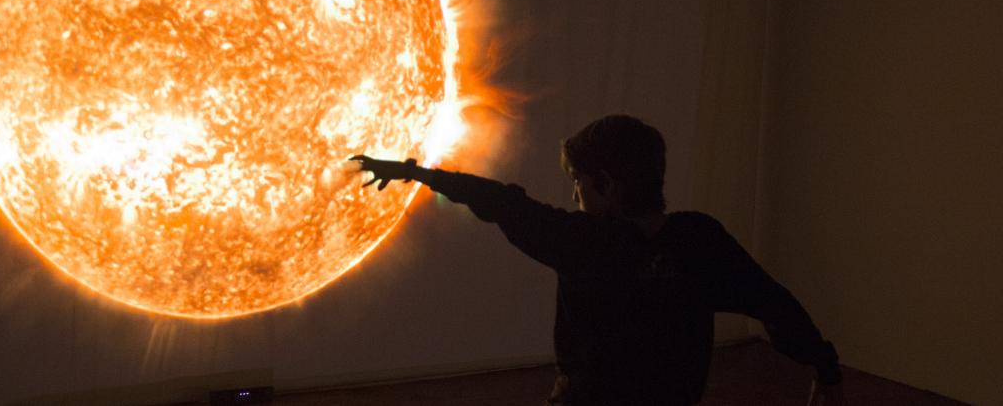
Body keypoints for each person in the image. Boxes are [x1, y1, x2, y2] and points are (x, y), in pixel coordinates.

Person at [351, 114, 844, 406]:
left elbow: (501, 202)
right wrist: (825, 367)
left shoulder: (582, 242)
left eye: (579, 184)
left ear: (606, 184)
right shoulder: (701, 239)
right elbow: (773, 303)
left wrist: (415, 173)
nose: (575, 195)